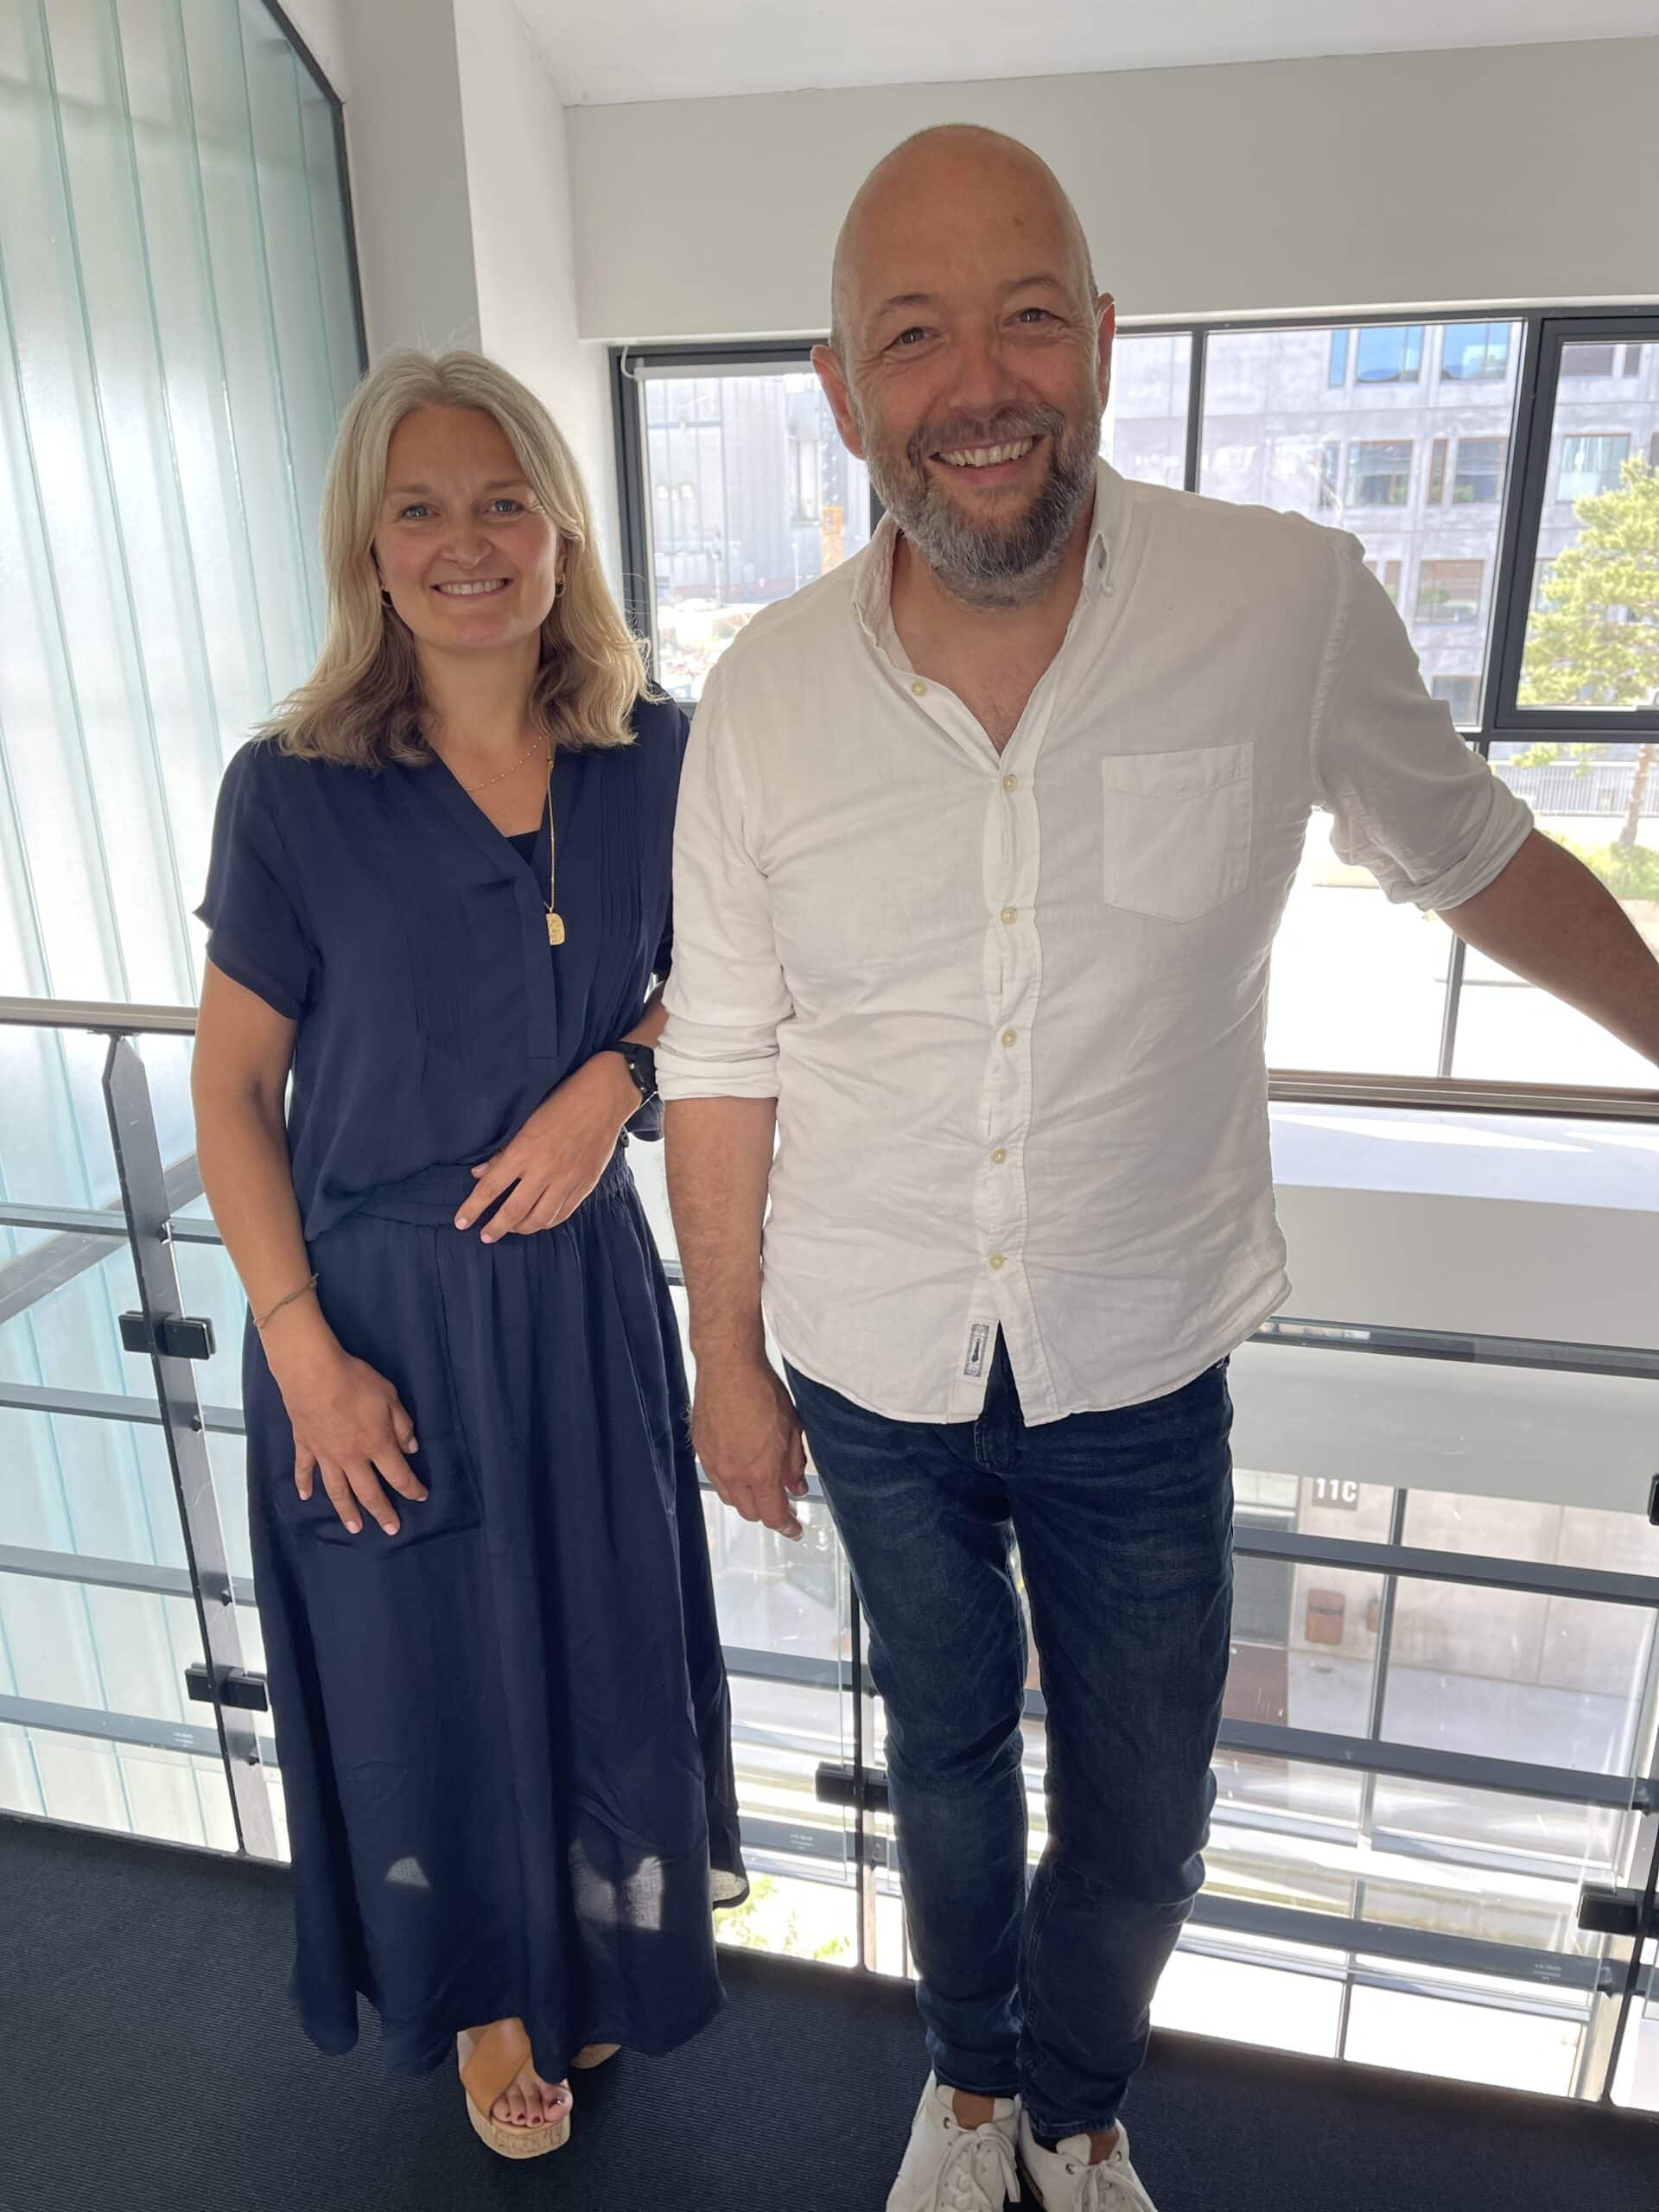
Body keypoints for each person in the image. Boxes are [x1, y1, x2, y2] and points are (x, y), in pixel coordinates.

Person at [658, 127, 1659, 2212]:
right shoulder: (759, 697)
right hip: (869, 1353)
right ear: (840, 391)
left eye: (1029, 315)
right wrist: (724, 1357)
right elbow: (726, 1051)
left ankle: (1077, 2101)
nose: (983, 381)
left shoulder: (1280, 601)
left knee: (1142, 1811)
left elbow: (1473, 853)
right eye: (914, 335)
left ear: (1103, 339)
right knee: (944, 1763)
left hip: (1136, 1360)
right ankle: (965, 2084)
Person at [192, 349, 746, 2163]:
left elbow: (743, 983)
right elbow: (232, 1089)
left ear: (562, 528)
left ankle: (580, 1954)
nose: (466, 542)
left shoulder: (660, 756)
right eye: (418, 508)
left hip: (582, 1301)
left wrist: (619, 1077)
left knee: (597, 1649)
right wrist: (302, 1355)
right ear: (368, 548)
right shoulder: (289, 788)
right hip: (371, 1324)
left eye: (505, 501)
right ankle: (484, 1993)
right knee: (417, 1677)